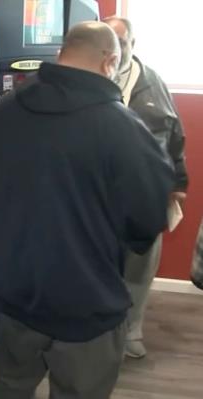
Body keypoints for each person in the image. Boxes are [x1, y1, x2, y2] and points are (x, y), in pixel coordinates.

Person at [0, 21, 174, 399]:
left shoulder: (3, 111)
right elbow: (149, 215)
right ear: (110, 63)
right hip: (88, 301)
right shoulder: (124, 128)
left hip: (19, 291)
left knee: (9, 387)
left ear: (60, 54)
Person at [104, 16, 189, 359]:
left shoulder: (153, 84)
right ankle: (101, 336)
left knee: (140, 267)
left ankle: (130, 333)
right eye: (110, 41)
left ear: (132, 45)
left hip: (146, 195)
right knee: (103, 268)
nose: (116, 49)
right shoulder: (91, 82)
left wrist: (178, 183)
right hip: (101, 197)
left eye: (122, 42)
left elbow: (175, 136)